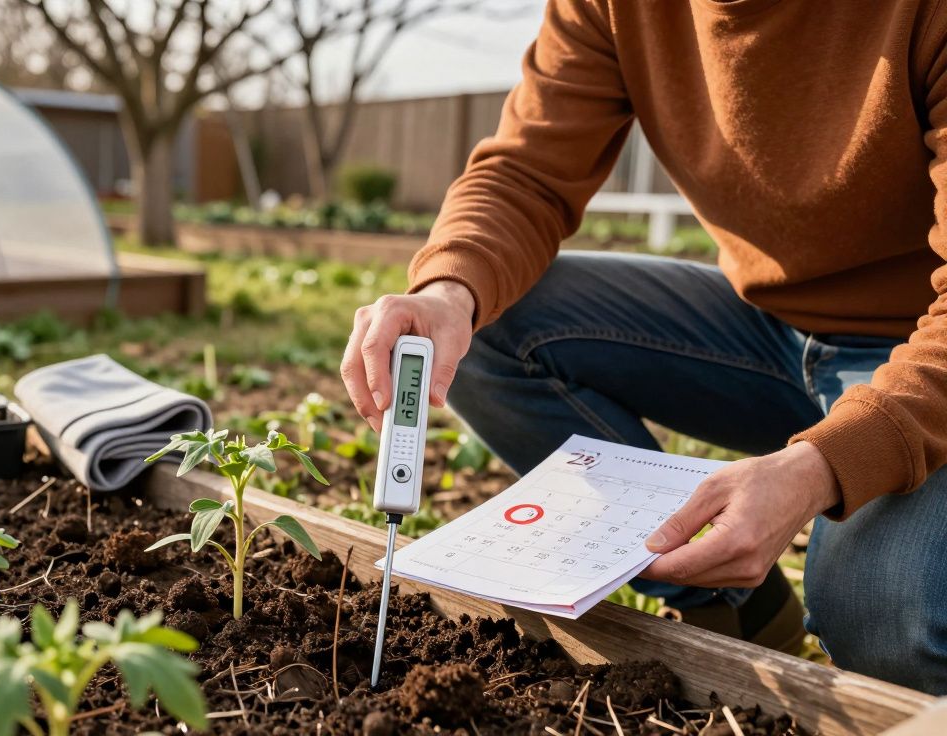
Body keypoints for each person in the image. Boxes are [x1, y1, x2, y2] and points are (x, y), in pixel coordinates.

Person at [341, 1, 947, 695]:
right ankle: (741, 612)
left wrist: (820, 468)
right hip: (767, 331)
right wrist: (448, 290)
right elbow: (528, 172)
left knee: (883, 613)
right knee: (487, 324)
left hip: (923, 351)